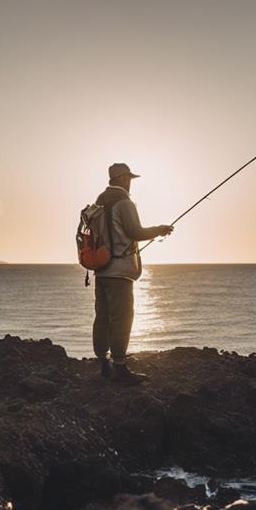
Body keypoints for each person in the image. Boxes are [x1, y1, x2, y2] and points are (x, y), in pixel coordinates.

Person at [92, 163, 174, 385]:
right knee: (122, 318)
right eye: (128, 178)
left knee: (102, 317)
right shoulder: (124, 202)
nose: (130, 182)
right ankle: (120, 367)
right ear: (121, 178)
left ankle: (103, 363)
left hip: (101, 270)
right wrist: (160, 229)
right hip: (119, 272)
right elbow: (135, 232)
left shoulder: (99, 201)